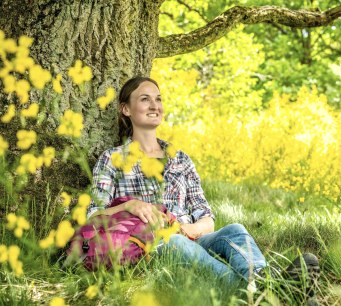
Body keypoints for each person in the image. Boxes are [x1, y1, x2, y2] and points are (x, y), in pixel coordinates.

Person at [86, 76, 319, 297]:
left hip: (190, 237)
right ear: (126, 109)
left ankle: (264, 283)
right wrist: (133, 206)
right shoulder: (112, 158)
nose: (154, 105)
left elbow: (206, 216)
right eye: (145, 99)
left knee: (235, 230)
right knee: (173, 241)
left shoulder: (180, 159)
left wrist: (193, 229)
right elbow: (93, 216)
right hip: (150, 246)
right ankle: (269, 292)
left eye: (158, 99)